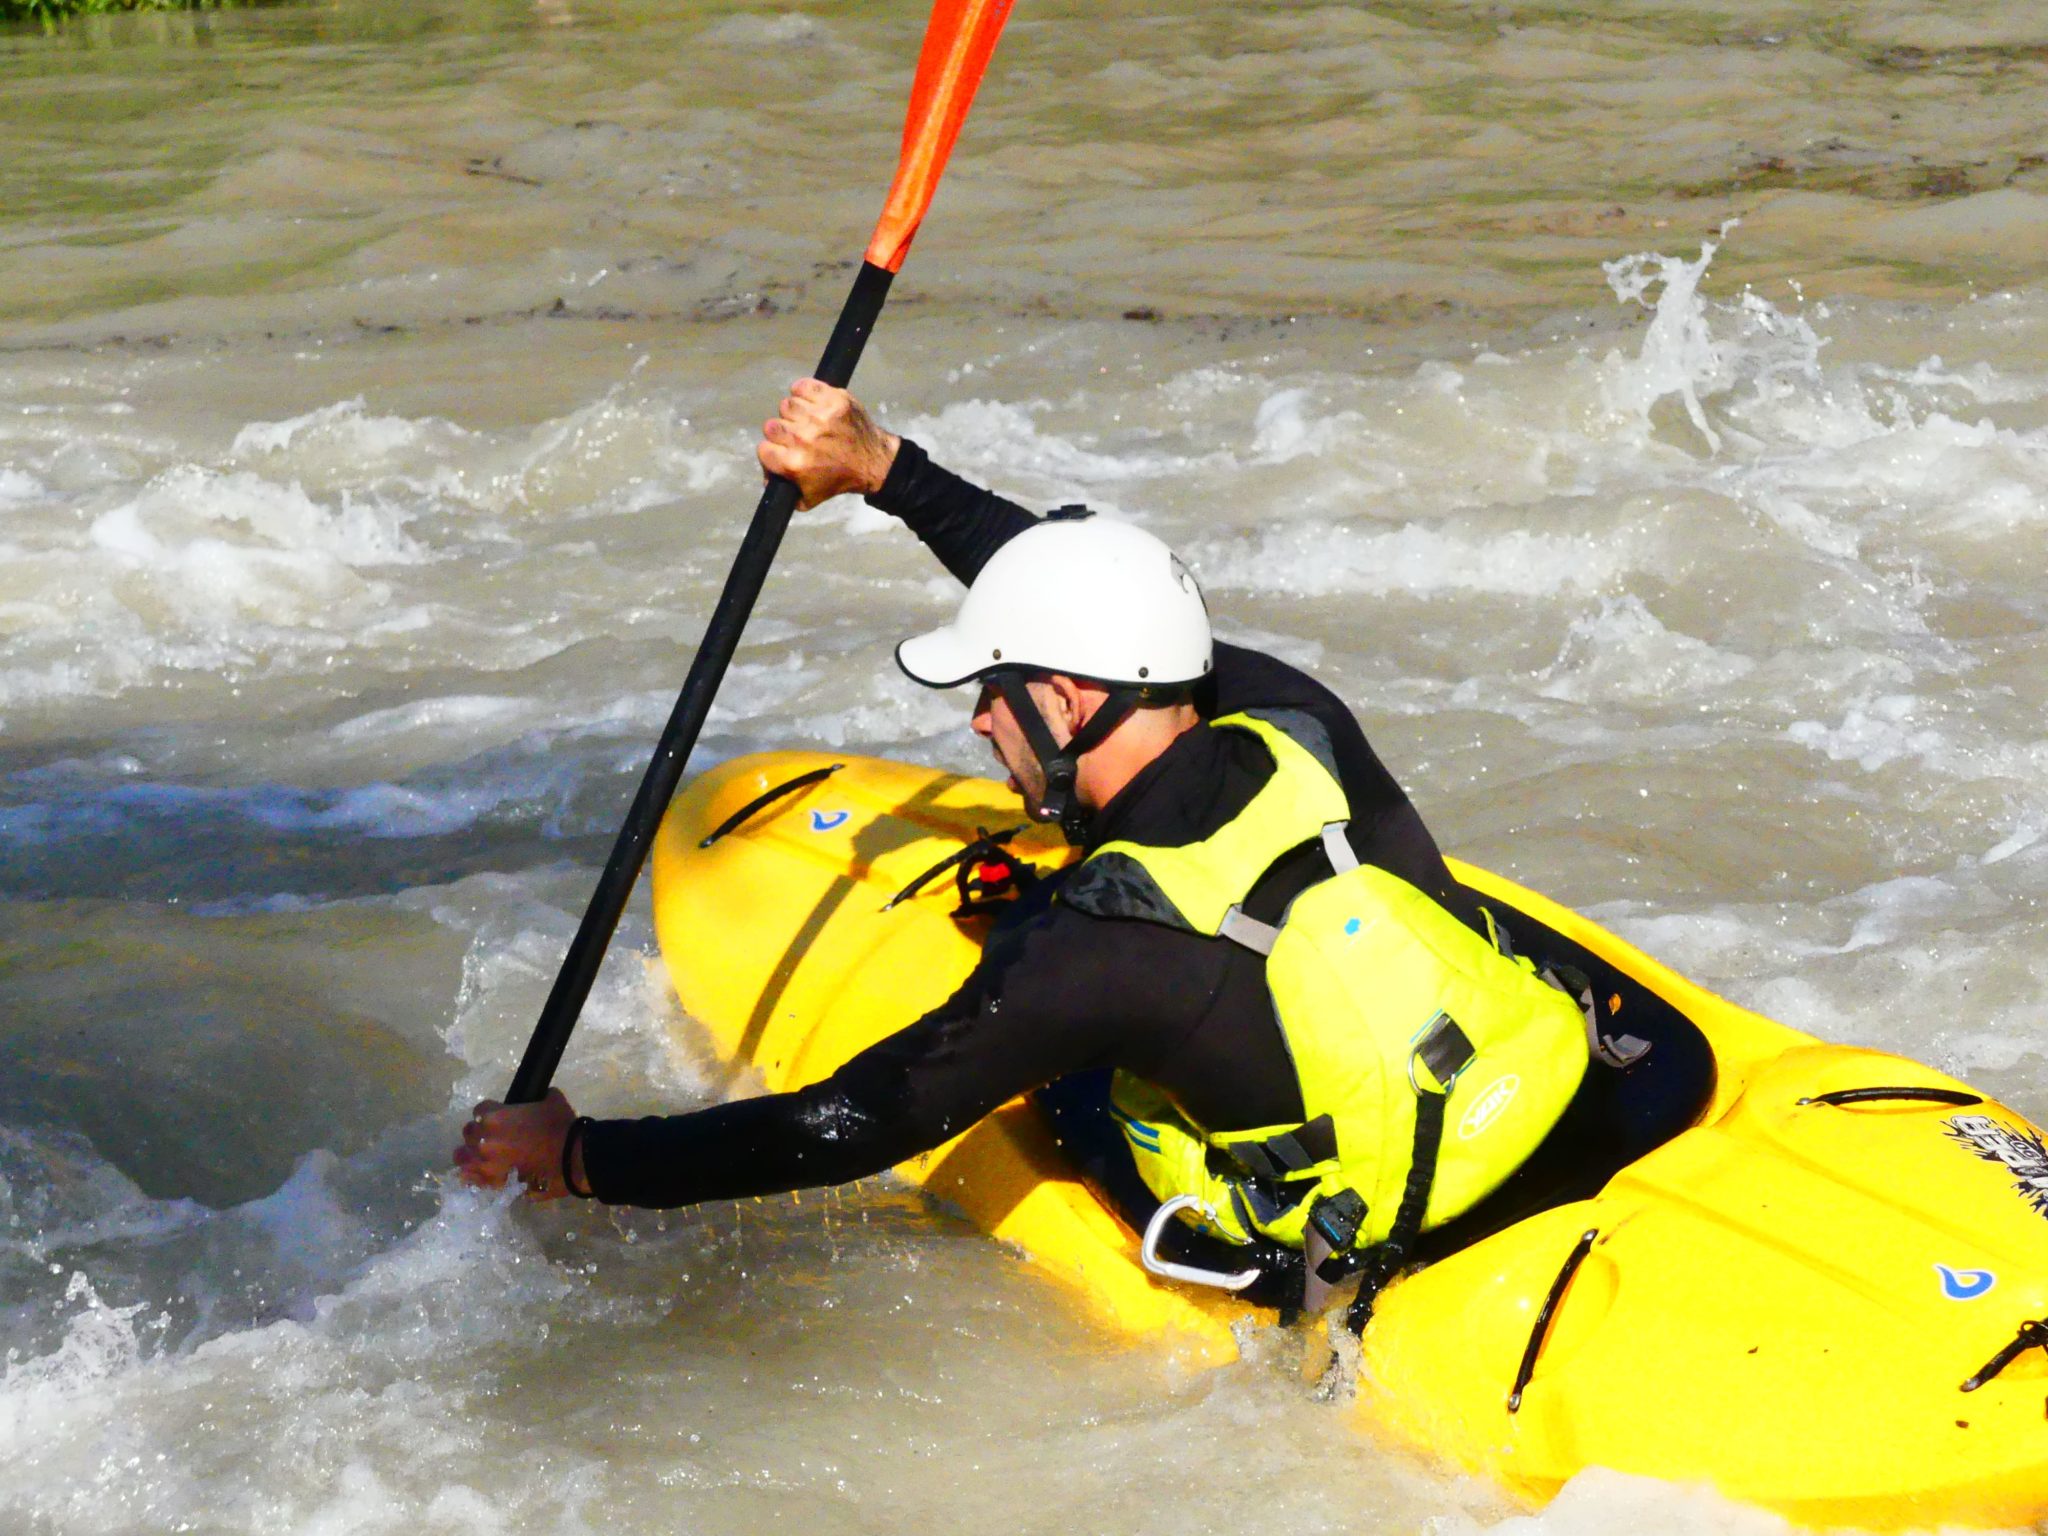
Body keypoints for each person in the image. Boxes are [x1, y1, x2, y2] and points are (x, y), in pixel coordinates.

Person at [456, 380, 1593, 1320]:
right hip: (1528, 1076)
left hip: (1359, 1210)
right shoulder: (1292, 716)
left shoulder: (1086, 952)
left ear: (1058, 695)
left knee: (1074, 1092)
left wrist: (580, 1159)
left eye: (992, 696)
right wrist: (883, 471)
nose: (977, 725)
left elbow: (850, 1122)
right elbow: (1113, 607)